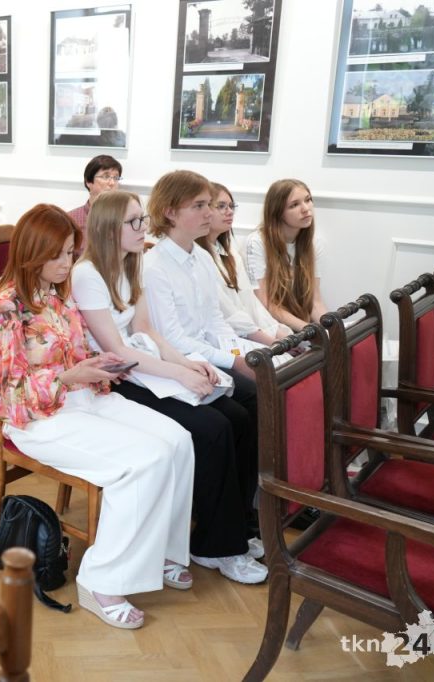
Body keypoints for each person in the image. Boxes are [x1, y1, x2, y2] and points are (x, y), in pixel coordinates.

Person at [0, 203, 195, 629]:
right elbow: (8, 397)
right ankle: (101, 580)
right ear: (32, 252)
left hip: (82, 399)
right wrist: (68, 377)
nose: (67, 263)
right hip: (37, 421)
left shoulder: (55, 295)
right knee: (145, 460)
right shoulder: (6, 307)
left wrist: (98, 366)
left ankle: (161, 551)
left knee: (178, 440)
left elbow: (75, 354)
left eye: (70, 252)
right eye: (58, 255)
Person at [72, 190, 266, 583]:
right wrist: (177, 374)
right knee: (213, 428)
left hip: (144, 365)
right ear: (108, 229)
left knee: (238, 416)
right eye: (134, 221)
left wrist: (186, 363)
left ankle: (225, 527)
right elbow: (117, 348)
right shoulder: (87, 273)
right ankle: (217, 546)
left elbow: (146, 330)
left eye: (142, 219)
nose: (143, 228)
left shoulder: (133, 261)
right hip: (117, 378)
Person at [141, 170, 262, 537]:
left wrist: (242, 355)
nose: (210, 213)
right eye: (199, 205)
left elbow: (215, 323)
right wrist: (232, 362)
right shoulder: (154, 267)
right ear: (170, 212)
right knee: (242, 408)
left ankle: (245, 510)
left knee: (257, 398)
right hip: (177, 361)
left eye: (209, 204)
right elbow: (174, 339)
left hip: (206, 355)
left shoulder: (203, 259)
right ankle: (227, 516)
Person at [197, 182, 292, 344]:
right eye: (221, 206)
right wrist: (272, 342)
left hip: (250, 333)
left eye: (231, 206)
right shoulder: (199, 257)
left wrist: (279, 333)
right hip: (225, 338)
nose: (229, 212)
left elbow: (251, 303)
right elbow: (230, 315)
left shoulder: (231, 253)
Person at [244, 178, 328, 331]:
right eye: (294, 205)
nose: (306, 209)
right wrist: (310, 330)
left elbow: (314, 302)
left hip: (300, 326)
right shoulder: (256, 243)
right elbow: (266, 304)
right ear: (277, 212)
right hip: (269, 328)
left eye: (308, 200)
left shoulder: (314, 242)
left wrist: (332, 329)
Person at [66, 155, 122, 243]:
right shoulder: (70, 221)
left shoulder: (125, 218)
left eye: (116, 178)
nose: (112, 183)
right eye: (105, 176)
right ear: (89, 182)